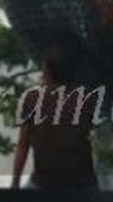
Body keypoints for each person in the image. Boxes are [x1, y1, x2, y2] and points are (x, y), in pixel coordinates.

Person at [11, 50, 98, 190]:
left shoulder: (32, 99)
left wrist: (15, 183)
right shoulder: (86, 99)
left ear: (47, 73)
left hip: (44, 181)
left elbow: (23, 145)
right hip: (82, 180)